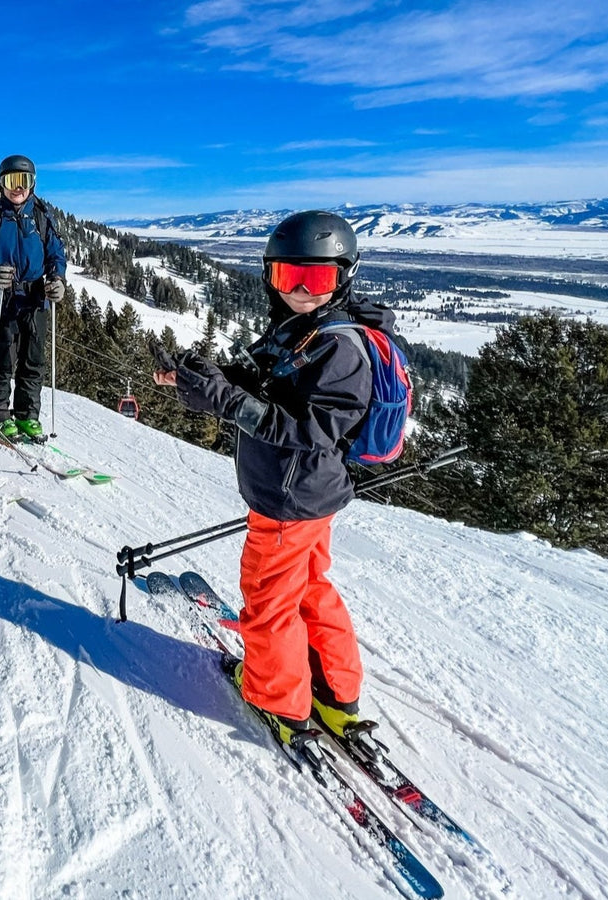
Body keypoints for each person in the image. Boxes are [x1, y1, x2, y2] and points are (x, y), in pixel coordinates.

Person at [154, 210, 388, 752]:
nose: (304, 292)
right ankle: (335, 693)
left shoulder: (340, 349)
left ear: (343, 277)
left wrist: (227, 400)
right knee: (308, 588)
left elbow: (308, 429)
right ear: (271, 277)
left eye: (319, 279)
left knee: (268, 599)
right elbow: (270, 384)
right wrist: (208, 377)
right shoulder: (303, 328)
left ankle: (277, 699)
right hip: (308, 494)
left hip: (289, 497)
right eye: (290, 278)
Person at [0, 154, 67, 443]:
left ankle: (26, 416)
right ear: (1, 183)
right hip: (3, 299)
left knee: (33, 361)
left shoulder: (42, 217)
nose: (17, 188)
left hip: (35, 299)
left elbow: (56, 255)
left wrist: (57, 279)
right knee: (3, 361)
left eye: (24, 181)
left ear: (32, 184)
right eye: (11, 181)